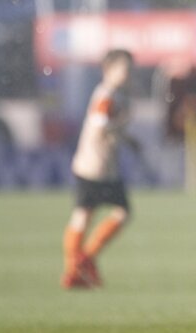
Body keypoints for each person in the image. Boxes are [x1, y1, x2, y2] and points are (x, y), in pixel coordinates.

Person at [60, 49, 141, 289]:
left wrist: (129, 140)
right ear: (109, 70)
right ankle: (77, 266)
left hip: (107, 166)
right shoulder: (105, 95)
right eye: (125, 69)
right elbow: (99, 126)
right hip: (93, 165)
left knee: (116, 213)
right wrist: (120, 128)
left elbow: (110, 127)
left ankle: (82, 263)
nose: (128, 74)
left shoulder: (119, 95)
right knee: (86, 215)